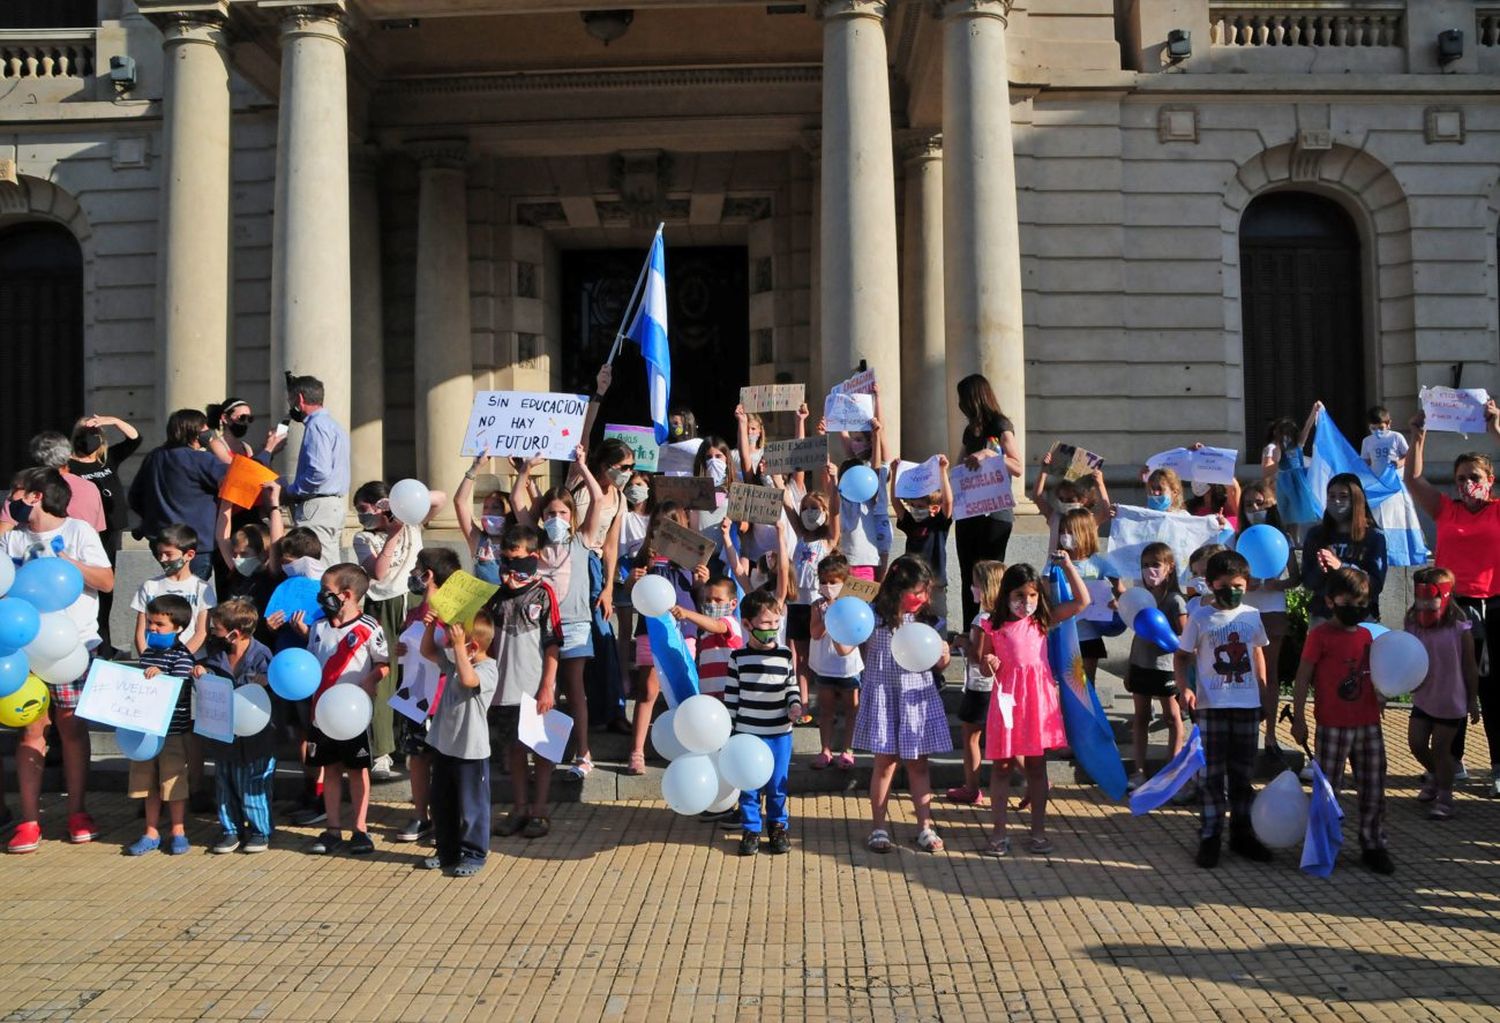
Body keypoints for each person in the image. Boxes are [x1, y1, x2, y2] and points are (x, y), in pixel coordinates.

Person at [3, 467, 113, 854]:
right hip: (24, 647)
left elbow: (106, 581)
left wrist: (70, 563)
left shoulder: (79, 531)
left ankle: (77, 812)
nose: (9, 500)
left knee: (72, 728)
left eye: (15, 492)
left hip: (73, 646)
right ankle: (29, 820)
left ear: (35, 496)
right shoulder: (12, 538)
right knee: (31, 731)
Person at [1404, 421, 1500, 796]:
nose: (1466, 484)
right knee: (1452, 684)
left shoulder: (1495, 511)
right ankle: (1452, 762)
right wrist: (1418, 437)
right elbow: (1413, 480)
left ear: (1489, 479)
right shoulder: (1447, 511)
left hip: (1494, 605)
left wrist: (1495, 427)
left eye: (1474, 477)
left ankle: (1496, 764)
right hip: (1452, 609)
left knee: (1494, 689)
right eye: (1460, 478)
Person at [976, 556, 1091, 856]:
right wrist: (989, 662)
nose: (1025, 602)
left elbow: (1082, 601)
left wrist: (1068, 567)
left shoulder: (1042, 620)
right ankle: (998, 833)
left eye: (1032, 595)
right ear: (1006, 594)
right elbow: (983, 667)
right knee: (1001, 767)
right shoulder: (992, 625)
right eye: (1019, 595)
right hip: (1007, 702)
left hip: (1038, 702)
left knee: (1037, 766)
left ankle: (1038, 832)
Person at [1290, 567, 1394, 875]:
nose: (1355, 609)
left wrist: (1383, 692)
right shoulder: (1319, 636)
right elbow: (1302, 677)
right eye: (1348, 601)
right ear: (1331, 601)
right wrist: (1298, 717)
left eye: (1361, 603)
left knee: (1373, 786)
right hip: (1332, 724)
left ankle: (1373, 844)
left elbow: (1378, 673)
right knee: (1328, 789)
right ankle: (1323, 845)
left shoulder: (1366, 636)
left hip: (1368, 723)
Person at [1175, 549, 1272, 869]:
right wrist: (1184, 687)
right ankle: (1211, 834)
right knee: (1212, 775)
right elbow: (1182, 655)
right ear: (1211, 584)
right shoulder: (1200, 618)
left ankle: (1242, 833)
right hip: (1212, 706)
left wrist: (1263, 688)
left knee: (1243, 774)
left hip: (1246, 703)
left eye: (1239, 585)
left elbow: (1256, 653)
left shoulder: (1251, 616)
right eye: (1224, 585)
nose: (1232, 591)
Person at [512, 449, 604, 780]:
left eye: (563, 512)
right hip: (539, 627)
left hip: (576, 625)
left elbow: (597, 498)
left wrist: (582, 465)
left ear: (572, 516)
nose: (556, 518)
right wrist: (524, 471)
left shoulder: (581, 539)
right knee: (543, 688)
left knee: (574, 688)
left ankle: (583, 752)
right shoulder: (534, 541)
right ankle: (542, 752)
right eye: (551, 512)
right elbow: (515, 500)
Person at [852, 555, 953, 854]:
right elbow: (849, 645)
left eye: (926, 591)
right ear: (898, 588)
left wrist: (944, 655)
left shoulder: (929, 620)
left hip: (916, 698)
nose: (922, 598)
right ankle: (878, 827)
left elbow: (939, 665)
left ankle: (924, 826)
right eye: (917, 591)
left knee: (918, 765)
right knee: (884, 764)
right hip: (884, 693)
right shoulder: (873, 617)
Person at [292, 563, 389, 856]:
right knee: (330, 768)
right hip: (322, 713)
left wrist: (370, 680)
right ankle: (333, 828)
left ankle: (360, 829)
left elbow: (383, 664)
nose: (321, 597)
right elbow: (311, 663)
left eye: (326, 591)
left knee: (357, 770)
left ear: (346, 595)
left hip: (353, 715)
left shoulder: (369, 627)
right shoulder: (319, 625)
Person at [351, 479, 445, 781]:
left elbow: (439, 498)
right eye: (360, 511)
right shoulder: (362, 538)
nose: (364, 515)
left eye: (368, 509)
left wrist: (397, 504)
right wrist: (391, 535)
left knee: (416, 670)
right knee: (386, 672)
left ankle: (412, 740)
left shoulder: (411, 520)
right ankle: (381, 751)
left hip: (415, 600)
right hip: (384, 604)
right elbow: (377, 572)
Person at [484, 524, 562, 839]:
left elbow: (554, 642)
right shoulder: (494, 597)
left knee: (541, 751)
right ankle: (519, 808)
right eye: (505, 561)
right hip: (503, 689)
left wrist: (547, 685)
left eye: (517, 561)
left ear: (533, 557)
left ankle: (539, 811)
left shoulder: (543, 594)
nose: (510, 570)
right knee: (514, 751)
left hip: (535, 686)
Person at [626, 502, 709, 775]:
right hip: (650, 628)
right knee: (648, 690)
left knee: (683, 687)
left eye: (673, 524)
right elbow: (631, 590)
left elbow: (699, 593)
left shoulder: (692, 556)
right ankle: (637, 750)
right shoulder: (644, 554)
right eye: (661, 524)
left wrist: (701, 579)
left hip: (682, 629)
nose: (666, 530)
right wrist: (634, 578)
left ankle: (691, 747)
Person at [419, 612, 499, 877]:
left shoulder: (487, 668)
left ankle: (474, 854)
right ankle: (447, 852)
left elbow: (469, 680)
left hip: (471, 752)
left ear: (473, 647)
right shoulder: (456, 663)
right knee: (442, 804)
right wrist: (430, 628)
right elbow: (428, 651)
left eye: (457, 641)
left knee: (471, 807)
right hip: (445, 747)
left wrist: (458, 649)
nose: (449, 645)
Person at [393, 546, 463, 844]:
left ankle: (447, 819)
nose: (412, 576)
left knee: (444, 762)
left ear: (428, 574)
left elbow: (455, 653)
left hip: (442, 700)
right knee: (417, 760)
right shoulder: (412, 613)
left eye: (415, 570)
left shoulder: (455, 612)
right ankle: (421, 816)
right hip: (414, 699)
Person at [196, 598, 277, 854]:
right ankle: (230, 829)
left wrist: (267, 681)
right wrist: (201, 673)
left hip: (256, 736)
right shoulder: (216, 653)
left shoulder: (261, 654)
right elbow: (210, 681)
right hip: (224, 732)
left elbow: (278, 687)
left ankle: (259, 830)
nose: (213, 632)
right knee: (224, 782)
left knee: (253, 784)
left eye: (217, 628)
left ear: (235, 632)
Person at [725, 589, 799, 856]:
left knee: (778, 783)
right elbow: (732, 698)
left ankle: (778, 826)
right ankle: (751, 829)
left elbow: (791, 686)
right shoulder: (737, 658)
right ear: (747, 624)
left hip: (780, 733)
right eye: (766, 624)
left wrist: (795, 705)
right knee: (749, 785)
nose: (772, 629)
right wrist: (729, 731)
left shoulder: (785, 655)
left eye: (776, 623)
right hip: (748, 734)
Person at [124, 594, 198, 856]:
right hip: (146, 733)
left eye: (159, 624)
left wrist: (160, 678)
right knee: (147, 781)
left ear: (178, 627)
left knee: (172, 782)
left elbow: (177, 690)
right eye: (151, 623)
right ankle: (151, 831)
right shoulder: (148, 654)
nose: (152, 628)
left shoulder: (182, 656)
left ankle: (178, 831)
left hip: (173, 733)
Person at [1405, 566, 1480, 820]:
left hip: (1451, 699)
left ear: (1446, 595)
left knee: (1440, 748)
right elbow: (1406, 655)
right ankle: (1436, 775)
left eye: (1431, 598)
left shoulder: (1460, 628)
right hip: (1424, 696)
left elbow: (1470, 667)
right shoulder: (1413, 622)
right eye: (1420, 597)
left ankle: (1445, 796)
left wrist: (1472, 700)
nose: (1425, 603)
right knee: (1416, 743)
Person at [1236, 480, 1300, 761]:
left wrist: (1280, 585)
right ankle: (1246, 732)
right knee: (1243, 674)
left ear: (1271, 505)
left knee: (1269, 675)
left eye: (1259, 503)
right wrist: (1242, 585)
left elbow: (1296, 576)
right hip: (1244, 613)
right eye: (1249, 505)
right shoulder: (1236, 538)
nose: (1254, 509)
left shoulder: (1281, 538)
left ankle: (1271, 734)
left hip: (1273, 611)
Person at [66, 414, 141, 656]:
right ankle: (84, 639)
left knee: (108, 587)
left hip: (111, 530)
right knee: (87, 585)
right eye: (84, 435)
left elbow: (135, 438)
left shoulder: (106, 460)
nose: (89, 440)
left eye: (94, 435)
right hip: (86, 531)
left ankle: (105, 642)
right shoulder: (68, 466)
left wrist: (113, 421)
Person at [127, 409, 232, 579]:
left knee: (170, 588)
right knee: (191, 593)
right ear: (195, 432)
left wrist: (152, 520)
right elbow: (236, 475)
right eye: (205, 429)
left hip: (160, 537)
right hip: (197, 542)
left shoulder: (154, 457)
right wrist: (214, 443)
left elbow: (134, 497)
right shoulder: (201, 460)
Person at [953, 374, 1022, 625]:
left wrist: (988, 454)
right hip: (969, 511)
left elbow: (1017, 465)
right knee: (968, 572)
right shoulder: (969, 431)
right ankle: (969, 626)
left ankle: (993, 623)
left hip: (995, 513)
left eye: (963, 398)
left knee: (991, 571)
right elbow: (960, 464)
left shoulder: (1000, 425)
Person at [265, 374, 350, 564]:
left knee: (316, 566)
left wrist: (292, 491)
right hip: (331, 506)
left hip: (317, 507)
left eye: (291, 400)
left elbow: (318, 472)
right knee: (328, 564)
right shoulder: (334, 426)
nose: (290, 406)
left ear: (300, 399)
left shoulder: (316, 425)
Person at [1124, 543, 1187, 792]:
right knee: (1140, 717)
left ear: (1169, 568)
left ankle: (1172, 769)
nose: (1150, 570)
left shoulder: (1175, 601)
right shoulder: (1141, 597)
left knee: (1172, 717)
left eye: (1156, 565)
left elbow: (1185, 639)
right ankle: (1139, 771)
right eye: (1145, 565)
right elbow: (1137, 634)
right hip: (1141, 664)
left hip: (1166, 668)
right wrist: (1130, 666)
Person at [947, 559, 1005, 806]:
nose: (972, 588)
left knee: (971, 737)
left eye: (975, 584)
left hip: (980, 687)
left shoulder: (982, 619)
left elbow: (978, 655)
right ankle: (1036, 778)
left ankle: (972, 788)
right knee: (1004, 739)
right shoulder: (1004, 616)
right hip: (998, 687)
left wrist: (962, 643)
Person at [1301, 473, 1386, 624]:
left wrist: (1341, 567)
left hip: (1361, 618)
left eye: (1343, 496)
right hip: (1323, 616)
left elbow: (1375, 584)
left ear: (1356, 500)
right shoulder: (1315, 535)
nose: (1336, 501)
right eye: (1331, 496)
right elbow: (1307, 582)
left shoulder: (1374, 538)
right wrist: (1321, 569)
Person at [827, 387, 891, 583]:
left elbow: (881, 433)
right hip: (853, 544)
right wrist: (837, 409)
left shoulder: (875, 471)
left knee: (878, 582)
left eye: (859, 440)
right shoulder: (850, 468)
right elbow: (842, 431)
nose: (854, 443)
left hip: (876, 528)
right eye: (853, 439)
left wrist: (877, 399)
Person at [808, 553, 862, 772]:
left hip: (848, 668)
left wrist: (839, 613)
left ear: (844, 583)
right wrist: (827, 615)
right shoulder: (817, 606)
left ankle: (848, 750)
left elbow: (855, 635)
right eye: (824, 582)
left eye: (833, 582)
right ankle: (825, 749)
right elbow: (815, 633)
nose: (828, 586)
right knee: (826, 710)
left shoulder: (853, 605)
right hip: (824, 667)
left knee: (851, 710)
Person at [131, 523, 215, 656]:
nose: (163, 559)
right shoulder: (150, 586)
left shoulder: (201, 588)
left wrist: (178, 659)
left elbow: (202, 632)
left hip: (190, 660)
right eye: (160, 554)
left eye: (168, 554)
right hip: (154, 659)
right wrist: (146, 658)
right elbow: (141, 631)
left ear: (189, 555)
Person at [0, 432, 106, 536]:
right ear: (68, 455)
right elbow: (94, 534)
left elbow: (2, 533)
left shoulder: (25, 487)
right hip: (80, 551)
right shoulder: (90, 488)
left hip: (35, 551)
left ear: (34, 457)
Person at [1058, 507, 1118, 686]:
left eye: (1070, 532)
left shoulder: (1099, 563)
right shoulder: (1055, 562)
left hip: (1090, 635)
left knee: (1087, 684)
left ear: (1084, 533)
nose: (1065, 536)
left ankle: (1089, 714)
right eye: (1062, 531)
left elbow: (1119, 590)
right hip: (1064, 634)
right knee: (1066, 683)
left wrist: (1116, 602)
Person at [672, 575, 741, 701]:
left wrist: (687, 613)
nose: (711, 604)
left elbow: (717, 626)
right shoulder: (706, 633)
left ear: (733, 604)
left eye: (718, 600)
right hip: (708, 694)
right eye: (708, 600)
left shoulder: (731, 623)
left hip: (728, 693)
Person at [892, 454, 953, 581]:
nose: (915, 509)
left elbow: (947, 502)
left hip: (935, 581)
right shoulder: (910, 523)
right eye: (912, 505)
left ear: (934, 508)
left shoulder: (938, 523)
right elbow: (895, 502)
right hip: (912, 580)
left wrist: (942, 471)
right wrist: (895, 473)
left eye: (920, 506)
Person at [1259, 412, 1319, 542]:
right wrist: (1277, 459)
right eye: (1284, 432)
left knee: (1295, 519)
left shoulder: (1294, 445)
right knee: (1285, 518)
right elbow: (1266, 470)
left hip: (1297, 484)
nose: (1287, 435)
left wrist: (1314, 413)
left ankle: (1295, 543)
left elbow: (1306, 430)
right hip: (1283, 485)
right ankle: (1287, 543)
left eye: (1290, 432)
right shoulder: (1273, 447)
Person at [206, 397, 265, 462]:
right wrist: (267, 450)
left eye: (250, 418)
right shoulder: (216, 444)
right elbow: (233, 468)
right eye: (242, 417)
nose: (246, 422)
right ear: (225, 418)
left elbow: (253, 468)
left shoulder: (246, 447)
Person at [1360, 405, 1407, 472]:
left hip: (1396, 477)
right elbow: (1366, 461)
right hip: (1378, 478)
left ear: (1388, 424)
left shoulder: (1396, 437)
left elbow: (1409, 456)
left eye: (1381, 428)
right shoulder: (1366, 441)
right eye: (1373, 428)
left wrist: (1400, 463)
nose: (1377, 431)